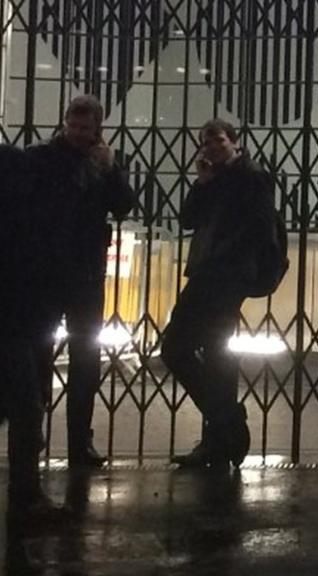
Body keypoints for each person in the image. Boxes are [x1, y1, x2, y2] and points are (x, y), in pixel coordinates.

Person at [162, 119, 277, 468]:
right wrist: (203, 183)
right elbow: (187, 220)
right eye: (206, 142)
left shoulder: (251, 175)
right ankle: (224, 430)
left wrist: (226, 259)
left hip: (225, 276)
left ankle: (223, 428)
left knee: (181, 348)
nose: (211, 146)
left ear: (235, 142)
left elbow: (258, 226)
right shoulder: (215, 178)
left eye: (218, 140)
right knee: (209, 354)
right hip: (209, 272)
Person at [28, 94, 134, 467]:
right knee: (39, 355)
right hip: (46, 271)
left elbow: (124, 206)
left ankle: (79, 442)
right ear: (65, 122)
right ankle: (30, 434)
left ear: (97, 130)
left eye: (85, 129)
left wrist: (111, 169)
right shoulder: (40, 158)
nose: (77, 133)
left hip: (85, 273)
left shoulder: (100, 163)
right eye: (73, 126)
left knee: (85, 358)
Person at [0, 144, 64, 520]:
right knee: (26, 408)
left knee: (23, 407)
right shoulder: (26, 221)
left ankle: (27, 492)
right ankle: (26, 493)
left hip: (17, 323)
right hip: (16, 325)